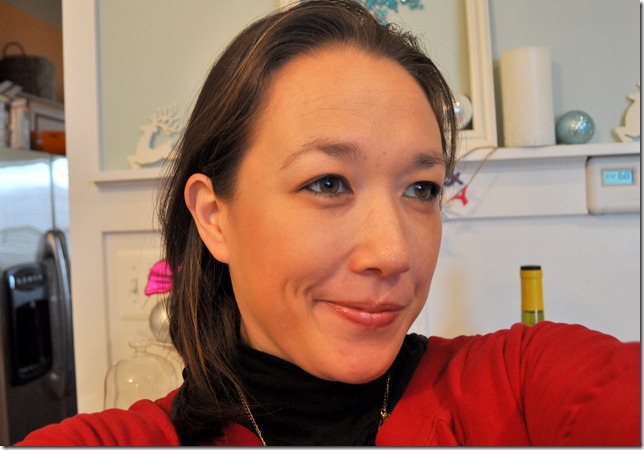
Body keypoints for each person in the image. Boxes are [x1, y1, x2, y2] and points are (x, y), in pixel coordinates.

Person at [17, 0, 639, 446]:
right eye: (328, 183)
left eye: (421, 189)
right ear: (214, 216)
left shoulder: (519, 389)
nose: (393, 253)